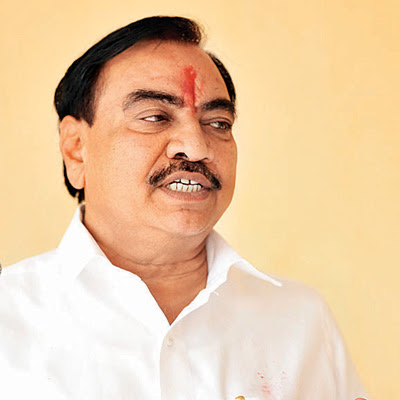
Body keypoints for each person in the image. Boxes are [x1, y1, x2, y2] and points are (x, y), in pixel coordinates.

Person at [0, 16, 368, 400]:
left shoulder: (300, 320)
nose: (196, 147)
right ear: (76, 149)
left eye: (218, 123)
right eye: (155, 117)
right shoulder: (7, 316)